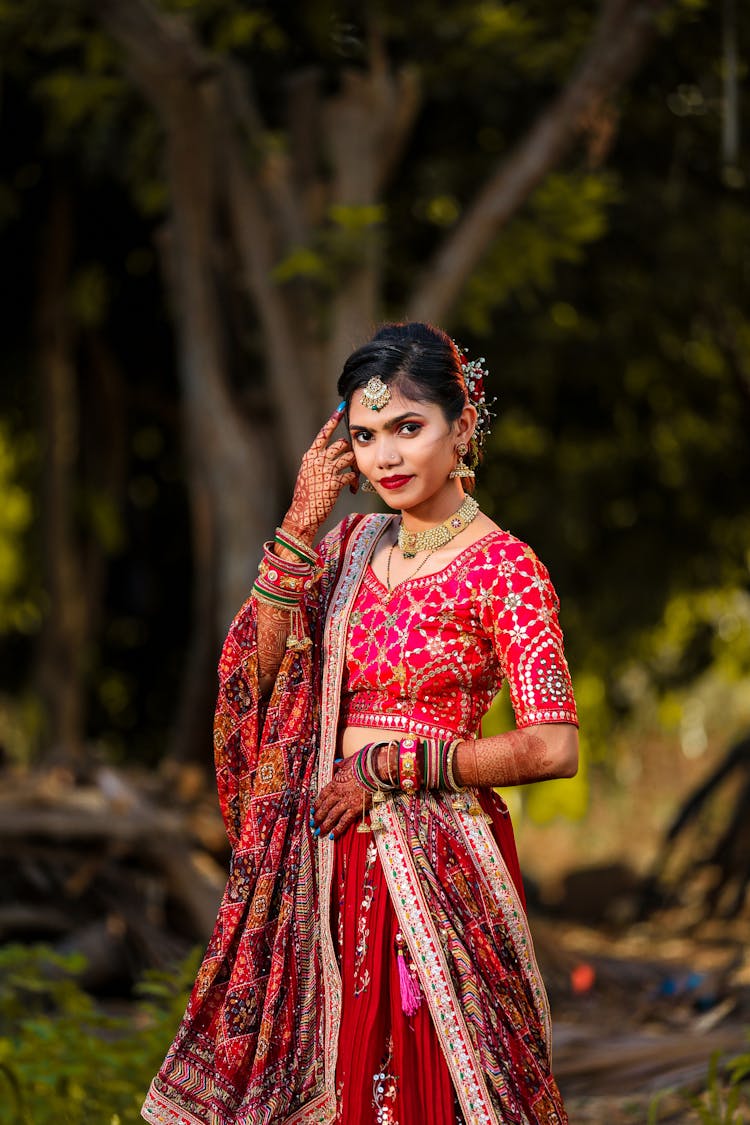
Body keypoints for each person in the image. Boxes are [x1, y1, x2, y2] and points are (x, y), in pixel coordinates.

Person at [142, 322, 578, 1125]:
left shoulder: (507, 568)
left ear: (464, 426)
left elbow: (553, 745)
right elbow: (255, 679)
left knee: (430, 1084)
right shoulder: (344, 545)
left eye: (409, 428)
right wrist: (300, 523)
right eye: (367, 435)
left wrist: (392, 767)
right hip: (321, 862)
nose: (386, 457)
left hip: (440, 862)